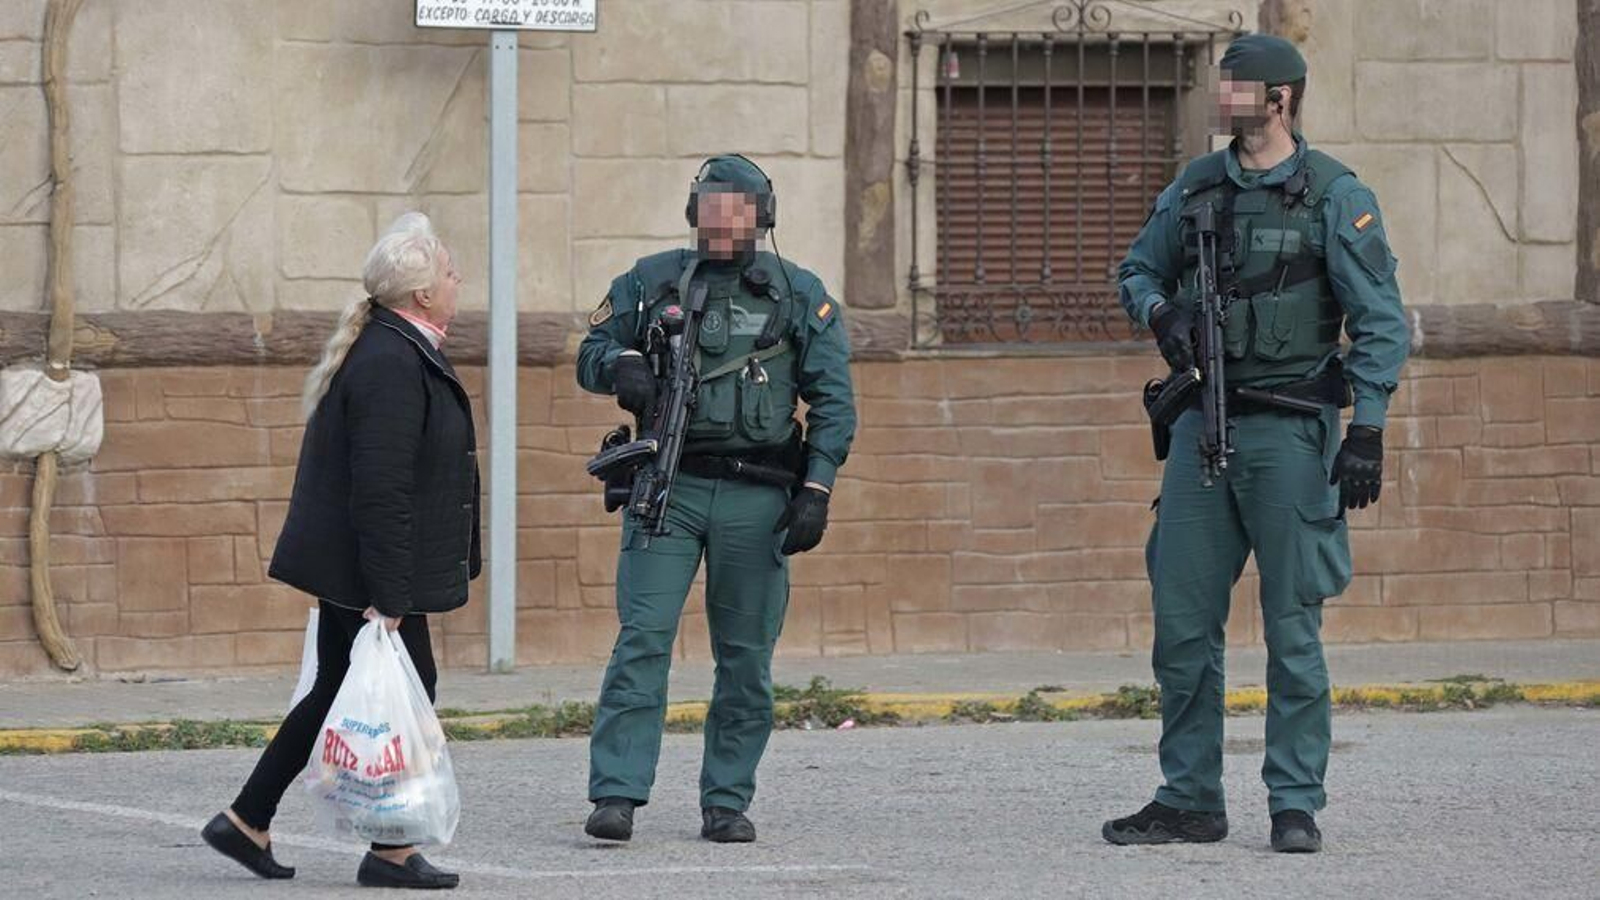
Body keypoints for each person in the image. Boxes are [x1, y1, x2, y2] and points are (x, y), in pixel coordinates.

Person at [1104, 34, 1409, 854]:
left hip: (1291, 436)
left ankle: (1294, 803)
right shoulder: (1196, 186)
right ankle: (1189, 799)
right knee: (1181, 627)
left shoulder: (1334, 195)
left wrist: (1367, 429)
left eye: (1236, 87)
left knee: (1293, 628)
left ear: (1280, 98)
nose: (1221, 98)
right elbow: (1136, 270)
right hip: (1203, 431)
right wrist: (1162, 313)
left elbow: (1380, 322)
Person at [576, 155, 857, 844]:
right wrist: (620, 363)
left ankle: (726, 800)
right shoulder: (649, 283)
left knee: (746, 657)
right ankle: (617, 793)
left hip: (757, 497)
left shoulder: (799, 294)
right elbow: (591, 350)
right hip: (668, 489)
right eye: (711, 207)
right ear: (692, 211)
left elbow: (833, 401)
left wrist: (816, 488)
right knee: (643, 638)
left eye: (739, 209)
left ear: (764, 216)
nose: (723, 221)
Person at [201, 213, 480, 889]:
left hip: (360, 566)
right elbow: (381, 489)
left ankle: (247, 819)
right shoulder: (391, 362)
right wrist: (389, 594)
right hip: (369, 570)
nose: (458, 279)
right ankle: (390, 851)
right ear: (422, 295)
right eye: (449, 272)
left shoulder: (395, 346)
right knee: (410, 687)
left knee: (334, 686)